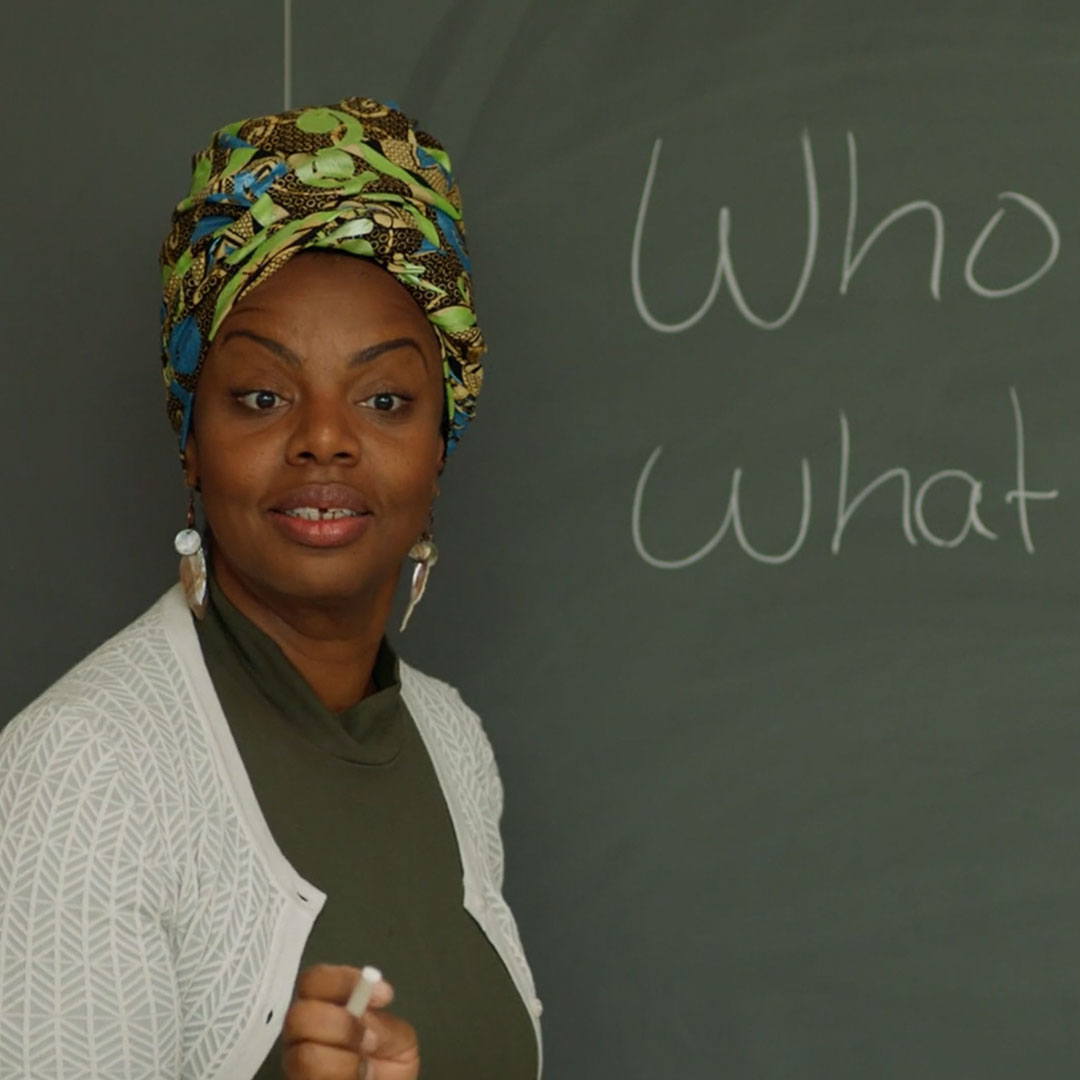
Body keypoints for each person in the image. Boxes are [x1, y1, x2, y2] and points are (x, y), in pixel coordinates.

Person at [0, 97, 542, 1079]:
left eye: (384, 400)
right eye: (260, 396)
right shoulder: (80, 780)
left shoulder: (451, 744)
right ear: (192, 448)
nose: (326, 437)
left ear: (439, 447)